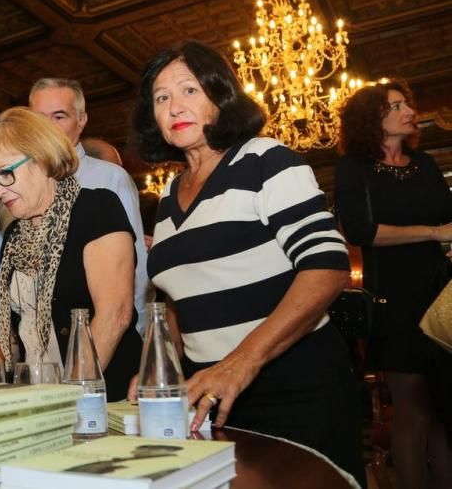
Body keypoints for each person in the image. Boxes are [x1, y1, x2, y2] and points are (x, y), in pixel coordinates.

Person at [130, 40, 364, 486]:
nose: (175, 105)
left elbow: (328, 267)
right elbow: (182, 297)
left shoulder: (264, 158)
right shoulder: (165, 196)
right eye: (162, 98)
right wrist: (160, 368)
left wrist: (240, 362)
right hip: (209, 395)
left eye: (190, 90)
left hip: (293, 384)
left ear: (221, 97)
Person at [0, 107, 142, 397]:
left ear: (42, 160)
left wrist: (64, 400)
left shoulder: (95, 209)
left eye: (5, 174)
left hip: (100, 399)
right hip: (35, 398)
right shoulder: (14, 235)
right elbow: (9, 331)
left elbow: (115, 315)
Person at [335, 80, 452, 489]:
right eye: (397, 105)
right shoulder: (355, 169)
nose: (409, 110)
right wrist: (434, 233)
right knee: (413, 409)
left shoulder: (425, 164)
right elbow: (361, 231)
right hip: (394, 296)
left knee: (444, 409)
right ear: (374, 118)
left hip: (440, 294)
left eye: (408, 103)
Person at [30, 79, 149, 335]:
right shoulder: (17, 185)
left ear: (81, 120)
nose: (48, 128)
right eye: (39, 118)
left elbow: (136, 269)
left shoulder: (110, 178)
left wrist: (138, 335)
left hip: (100, 335)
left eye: (59, 116)